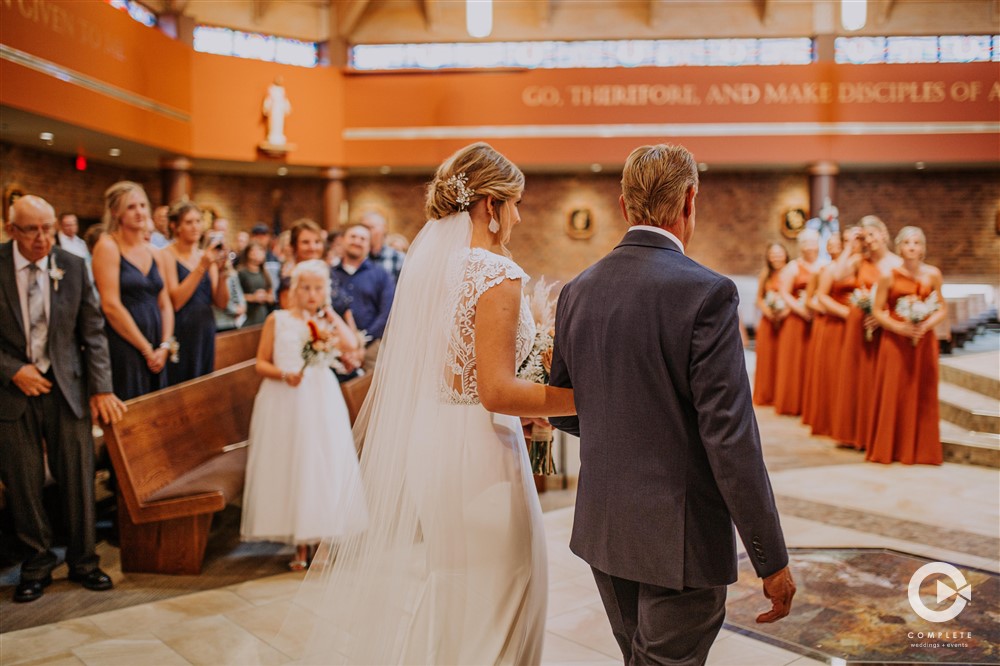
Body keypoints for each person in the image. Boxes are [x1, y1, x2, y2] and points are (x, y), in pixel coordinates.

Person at [284, 142, 575, 665]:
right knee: (506, 590)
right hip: (481, 450)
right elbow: (495, 390)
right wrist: (579, 397)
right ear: (489, 205)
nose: (518, 216)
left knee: (457, 591)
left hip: (434, 441)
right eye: (515, 203)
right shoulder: (495, 273)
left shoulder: (428, 272)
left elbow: (458, 374)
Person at [549, 144, 795, 666]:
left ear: (622, 206)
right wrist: (770, 559)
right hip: (678, 541)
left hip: (605, 531)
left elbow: (564, 406)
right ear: (690, 200)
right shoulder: (706, 293)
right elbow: (729, 437)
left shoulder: (578, 290)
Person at [0, 195, 126, 603]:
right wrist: (12, 370)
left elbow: (92, 331)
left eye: (49, 228)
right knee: (23, 480)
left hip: (66, 386)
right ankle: (36, 565)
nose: (43, 238)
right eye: (32, 230)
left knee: (78, 476)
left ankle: (84, 561)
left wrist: (101, 387)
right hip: (12, 390)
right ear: (11, 229)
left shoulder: (71, 265)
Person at [241, 260, 365, 570]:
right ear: (294, 290)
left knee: (321, 464)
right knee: (293, 464)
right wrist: (284, 374)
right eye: (306, 288)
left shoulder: (325, 322)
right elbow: (260, 363)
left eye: (318, 288)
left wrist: (330, 313)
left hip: (321, 398)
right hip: (285, 399)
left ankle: (322, 541)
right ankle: (298, 544)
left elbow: (351, 345)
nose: (311, 294)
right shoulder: (277, 320)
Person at [866, 227, 946, 465]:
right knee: (895, 392)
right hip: (895, 341)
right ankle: (890, 448)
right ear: (899, 247)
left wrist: (926, 324)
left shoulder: (933, 274)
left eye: (917, 243)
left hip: (923, 341)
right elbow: (877, 310)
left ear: (923, 248)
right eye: (907, 243)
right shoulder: (888, 275)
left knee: (922, 392)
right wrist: (898, 327)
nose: (912, 247)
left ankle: (922, 450)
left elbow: (941, 307)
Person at [92, 182, 174, 400]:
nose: (139, 212)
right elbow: (110, 305)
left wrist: (165, 346)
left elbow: (165, 304)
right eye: (131, 207)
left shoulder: (156, 253)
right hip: (125, 342)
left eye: (142, 205)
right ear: (115, 212)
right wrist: (146, 349)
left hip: (157, 342)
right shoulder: (108, 247)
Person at [829, 216, 902, 449]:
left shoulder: (897, 263)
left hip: (887, 326)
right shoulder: (859, 260)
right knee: (859, 377)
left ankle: (879, 433)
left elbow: (903, 296)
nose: (869, 240)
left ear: (884, 234)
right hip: (859, 325)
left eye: (872, 235)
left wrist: (883, 316)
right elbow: (838, 275)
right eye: (865, 237)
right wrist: (851, 246)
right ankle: (857, 433)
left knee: (882, 380)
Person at [161, 202, 229, 384]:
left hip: (205, 327)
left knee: (204, 382)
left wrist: (222, 273)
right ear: (176, 226)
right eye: (189, 222)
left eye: (198, 221)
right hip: (182, 327)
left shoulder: (206, 255)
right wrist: (202, 267)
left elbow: (221, 303)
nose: (195, 227)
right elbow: (176, 301)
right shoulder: (166, 255)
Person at [808, 227, 860, 438]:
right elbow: (818, 297)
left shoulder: (861, 264)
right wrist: (846, 313)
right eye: (843, 241)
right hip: (835, 322)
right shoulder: (829, 269)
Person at [329, 224, 395, 370]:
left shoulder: (381, 275)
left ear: (369, 245)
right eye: (352, 237)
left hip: (371, 347)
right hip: (333, 346)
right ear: (343, 240)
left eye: (362, 238)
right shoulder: (330, 273)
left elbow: (387, 313)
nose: (357, 241)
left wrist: (362, 342)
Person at [772, 228, 822, 416]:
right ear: (800, 246)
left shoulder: (823, 266)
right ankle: (792, 403)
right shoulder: (792, 267)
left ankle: (810, 404)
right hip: (795, 319)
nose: (810, 247)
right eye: (806, 243)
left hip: (817, 318)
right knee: (795, 361)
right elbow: (784, 293)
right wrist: (801, 310)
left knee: (812, 361)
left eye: (813, 242)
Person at [752, 243, 789, 406]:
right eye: (773, 254)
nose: (776, 257)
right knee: (768, 358)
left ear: (786, 255)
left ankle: (782, 395)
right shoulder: (766, 274)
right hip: (768, 321)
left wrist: (783, 312)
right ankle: (768, 394)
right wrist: (768, 311)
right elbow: (759, 298)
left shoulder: (791, 272)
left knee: (784, 358)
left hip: (787, 320)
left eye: (779, 254)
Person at [361, 210, 405, 283]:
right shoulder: (355, 257)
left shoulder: (398, 258)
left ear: (384, 228)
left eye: (370, 227)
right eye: (363, 228)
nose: (365, 231)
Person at [238, 242, 275, 326]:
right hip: (248, 315)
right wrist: (253, 298)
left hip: (263, 314)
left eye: (260, 251)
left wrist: (266, 297)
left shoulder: (264, 273)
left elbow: (271, 295)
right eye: (254, 251)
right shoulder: (242, 272)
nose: (257, 254)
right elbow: (236, 295)